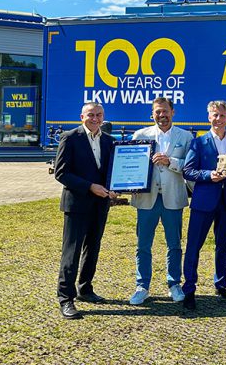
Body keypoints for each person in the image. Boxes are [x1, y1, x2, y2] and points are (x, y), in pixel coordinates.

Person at [54, 102, 116, 320]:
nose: (95, 119)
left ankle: (85, 288)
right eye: (91, 115)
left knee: (93, 248)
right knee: (71, 251)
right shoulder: (70, 138)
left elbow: (111, 171)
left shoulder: (109, 141)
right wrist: (90, 187)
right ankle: (66, 298)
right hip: (77, 204)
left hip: (100, 204)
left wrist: (114, 187)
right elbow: (61, 173)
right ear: (82, 116)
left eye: (99, 115)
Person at [127, 97, 192, 305]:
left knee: (174, 244)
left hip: (173, 197)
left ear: (173, 112)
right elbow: (129, 163)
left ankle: (174, 284)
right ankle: (142, 286)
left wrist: (170, 161)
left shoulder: (186, 136)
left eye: (165, 111)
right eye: (157, 112)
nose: (162, 115)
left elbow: (190, 165)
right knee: (143, 245)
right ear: (152, 114)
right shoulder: (140, 135)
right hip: (147, 198)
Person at [181, 100, 226, 310]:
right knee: (193, 246)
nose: (218, 119)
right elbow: (188, 171)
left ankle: (221, 284)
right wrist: (209, 175)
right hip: (203, 202)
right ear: (209, 117)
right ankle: (189, 289)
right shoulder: (199, 142)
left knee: (223, 245)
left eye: (222, 115)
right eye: (215, 115)